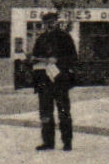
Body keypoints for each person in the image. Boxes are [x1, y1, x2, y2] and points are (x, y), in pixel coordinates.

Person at [28, 12, 77, 151]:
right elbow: (35, 55)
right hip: (44, 81)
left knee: (63, 112)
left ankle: (67, 142)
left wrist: (58, 60)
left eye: (52, 21)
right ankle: (48, 141)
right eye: (46, 22)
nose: (49, 24)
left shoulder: (65, 38)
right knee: (45, 112)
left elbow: (73, 58)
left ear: (56, 22)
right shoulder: (41, 38)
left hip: (60, 80)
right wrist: (35, 59)